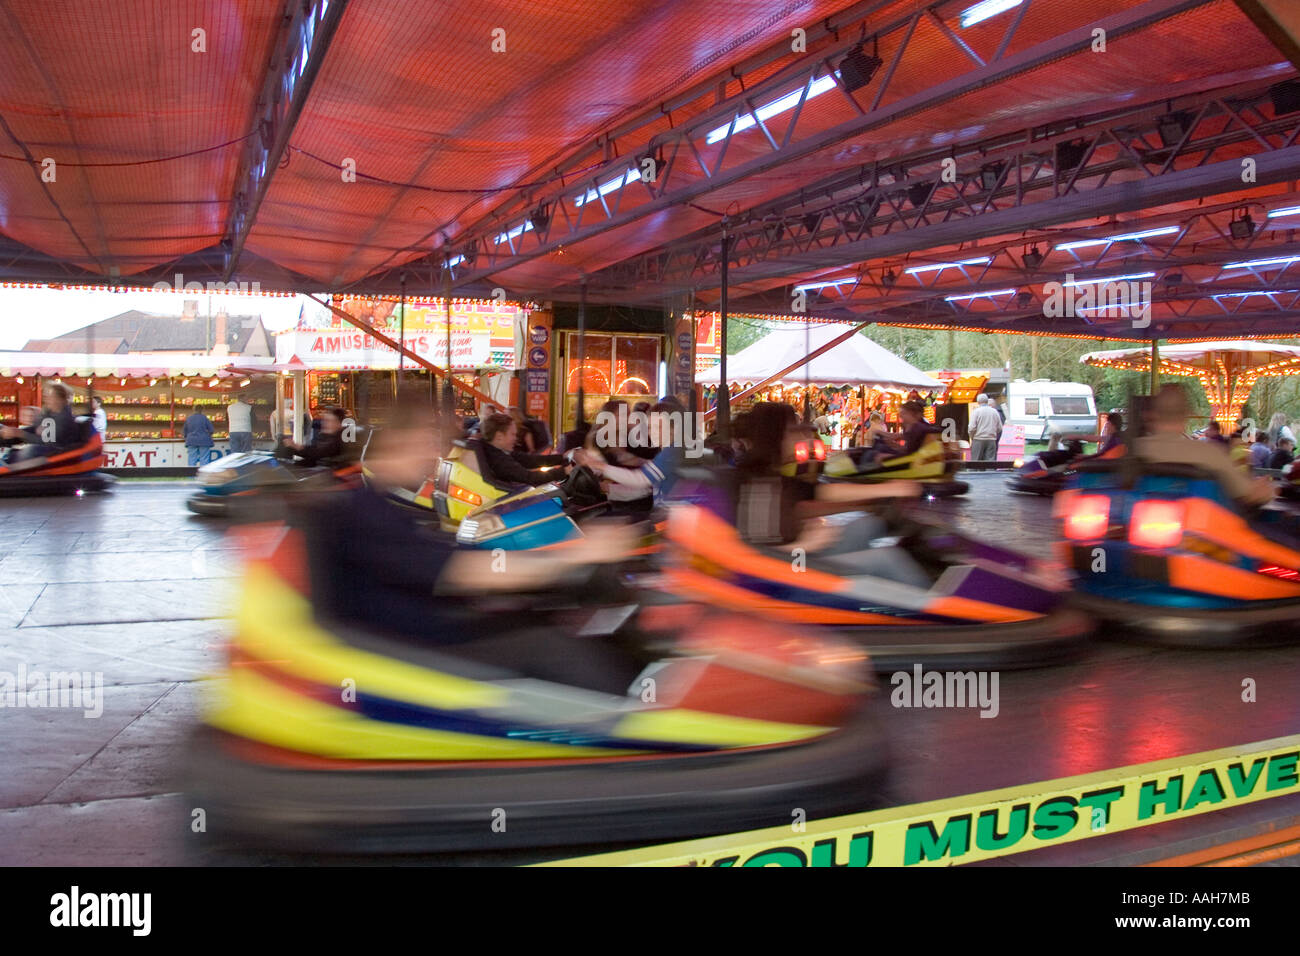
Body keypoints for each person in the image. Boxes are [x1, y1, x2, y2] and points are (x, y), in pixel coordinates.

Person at [1133, 384, 1272, 507]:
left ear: (1150, 416)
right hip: (1201, 530)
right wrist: (1267, 488)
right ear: (1186, 415)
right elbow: (1250, 494)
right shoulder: (1209, 453)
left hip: (1139, 526)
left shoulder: (1131, 450)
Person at [573, 400, 686, 506]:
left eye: (659, 427)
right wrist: (609, 489)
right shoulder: (599, 439)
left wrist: (599, 466)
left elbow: (640, 479)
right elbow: (645, 489)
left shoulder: (673, 452)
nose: (653, 433)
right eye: (650, 428)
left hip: (673, 516)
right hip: (661, 511)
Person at [481, 412, 568, 486]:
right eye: (513, 434)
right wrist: (565, 471)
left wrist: (563, 457)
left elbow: (530, 460)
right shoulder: (498, 460)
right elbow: (530, 478)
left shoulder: (499, 451)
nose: (516, 438)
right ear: (499, 436)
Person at [1, 383, 80, 463]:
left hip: (58, 455)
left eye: (50, 397)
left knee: (30, 450)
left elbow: (46, 442)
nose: (46, 400)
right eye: (46, 397)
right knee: (13, 449)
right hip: (47, 450)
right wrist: (13, 433)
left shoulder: (64, 418)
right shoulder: (51, 414)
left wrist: (20, 434)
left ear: (60, 399)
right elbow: (34, 430)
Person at [282, 406, 347, 466]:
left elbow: (318, 453)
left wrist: (296, 446)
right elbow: (314, 457)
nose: (325, 423)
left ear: (339, 424)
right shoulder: (325, 436)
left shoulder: (341, 440)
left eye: (330, 421)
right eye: (324, 420)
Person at [968, 393, 1002, 462]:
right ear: (987, 401)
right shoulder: (994, 412)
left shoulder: (976, 412)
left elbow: (971, 428)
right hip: (991, 440)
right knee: (990, 463)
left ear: (978, 402)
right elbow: (999, 428)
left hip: (978, 439)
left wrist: (972, 437)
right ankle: (989, 472)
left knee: (975, 463)